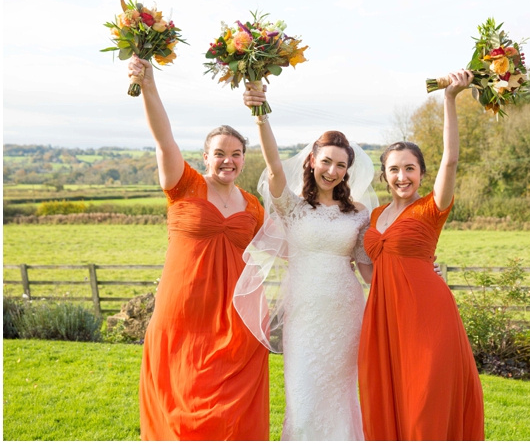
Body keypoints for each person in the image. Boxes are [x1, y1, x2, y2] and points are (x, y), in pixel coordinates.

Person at [127, 55, 269, 440]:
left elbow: (274, 250)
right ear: (205, 156)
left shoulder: (253, 206)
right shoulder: (183, 184)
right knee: (179, 403)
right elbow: (163, 137)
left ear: (243, 159)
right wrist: (149, 84)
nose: (228, 160)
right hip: (183, 312)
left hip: (234, 317)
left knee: (232, 413)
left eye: (236, 154)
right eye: (219, 153)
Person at [236, 84, 379, 440]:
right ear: (311, 160)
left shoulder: (359, 214)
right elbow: (273, 170)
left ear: (348, 171)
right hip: (304, 314)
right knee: (303, 399)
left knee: (342, 396)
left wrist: (418, 272)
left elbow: (368, 271)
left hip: (345, 312)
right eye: (326, 161)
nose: (332, 170)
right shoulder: (293, 207)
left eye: (340, 165)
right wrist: (261, 116)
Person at [358, 69, 485, 440]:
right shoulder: (376, 215)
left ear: (422, 173)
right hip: (383, 317)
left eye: (410, 169)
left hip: (426, 315)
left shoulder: (433, 206)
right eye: (394, 170)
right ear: (384, 176)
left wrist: (449, 98)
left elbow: (452, 160)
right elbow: (371, 267)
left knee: (425, 398)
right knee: (386, 394)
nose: (402, 177)